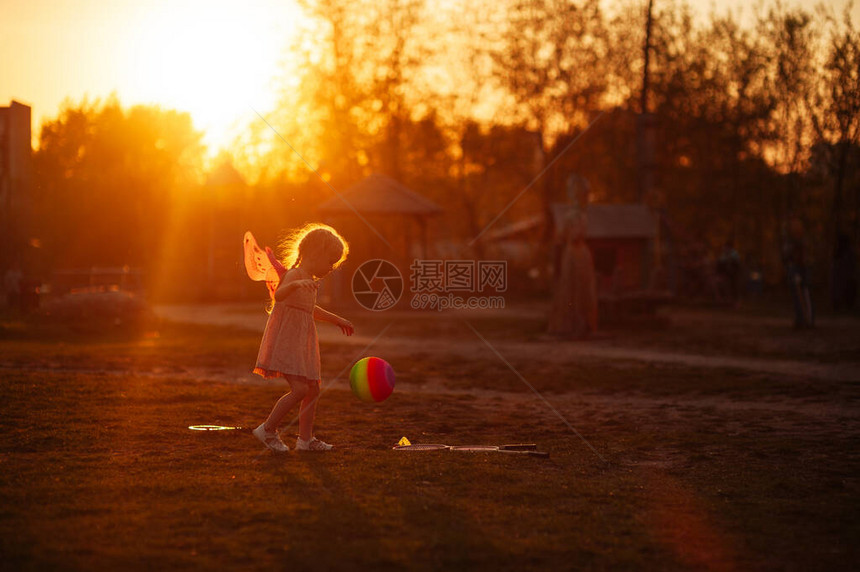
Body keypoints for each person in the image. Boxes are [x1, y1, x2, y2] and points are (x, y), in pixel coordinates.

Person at [251, 224, 354, 452]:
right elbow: (279, 295)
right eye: (330, 261)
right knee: (300, 390)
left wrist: (338, 320)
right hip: (287, 341)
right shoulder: (295, 275)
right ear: (315, 253)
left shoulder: (308, 279)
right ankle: (267, 430)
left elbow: (310, 309)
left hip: (301, 341)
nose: (332, 267)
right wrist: (295, 283)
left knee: (313, 389)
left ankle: (305, 441)